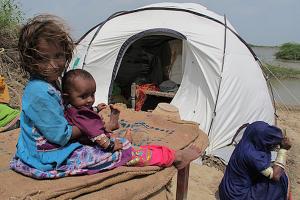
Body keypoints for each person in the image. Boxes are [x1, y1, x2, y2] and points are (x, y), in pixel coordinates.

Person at [10, 14, 202, 179]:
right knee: (122, 153)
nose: (54, 64)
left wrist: (91, 120)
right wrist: (91, 127)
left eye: (59, 56)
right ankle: (174, 157)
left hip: (48, 150)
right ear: (30, 59)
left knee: (109, 140)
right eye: (44, 58)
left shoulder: (49, 84)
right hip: (47, 157)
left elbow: (61, 117)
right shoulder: (39, 92)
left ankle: (148, 149)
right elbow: (60, 136)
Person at [62, 68, 132, 152]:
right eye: (83, 96)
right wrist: (110, 146)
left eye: (92, 95)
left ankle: (112, 126)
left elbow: (85, 114)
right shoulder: (81, 114)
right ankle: (126, 142)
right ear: (67, 97)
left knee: (108, 132)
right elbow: (95, 132)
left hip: (82, 137)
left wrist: (96, 109)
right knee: (110, 137)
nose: (90, 100)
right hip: (86, 140)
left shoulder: (71, 107)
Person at [219, 121, 292, 200]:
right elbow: (276, 176)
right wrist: (283, 150)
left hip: (226, 189)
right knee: (281, 179)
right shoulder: (254, 156)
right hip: (237, 196)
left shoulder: (249, 137)